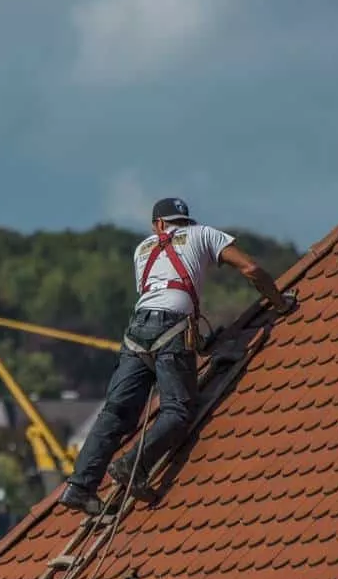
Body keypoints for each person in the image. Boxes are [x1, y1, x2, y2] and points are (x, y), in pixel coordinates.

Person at [57, 196, 296, 516]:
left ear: (158, 224)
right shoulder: (203, 233)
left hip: (137, 331)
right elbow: (251, 269)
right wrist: (280, 302)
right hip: (173, 327)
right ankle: (132, 465)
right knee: (178, 410)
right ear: (184, 221)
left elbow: (158, 292)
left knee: (116, 412)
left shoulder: (142, 249)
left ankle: (80, 486)